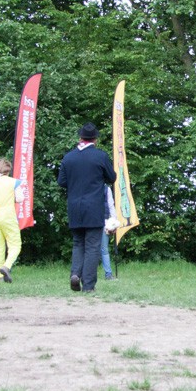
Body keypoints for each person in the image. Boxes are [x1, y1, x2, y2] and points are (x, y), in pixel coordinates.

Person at [57, 122, 116, 293]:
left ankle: (75, 274)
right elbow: (112, 177)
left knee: (78, 244)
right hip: (94, 208)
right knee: (92, 246)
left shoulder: (68, 157)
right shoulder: (100, 156)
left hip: (74, 207)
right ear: (95, 139)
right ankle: (88, 285)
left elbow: (61, 182)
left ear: (80, 137)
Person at [99, 186, 119, 281]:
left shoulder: (106, 189)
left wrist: (114, 222)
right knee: (103, 249)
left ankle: (108, 274)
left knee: (103, 249)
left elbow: (111, 205)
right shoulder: (106, 188)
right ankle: (107, 274)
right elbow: (110, 205)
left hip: (104, 222)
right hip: (97, 222)